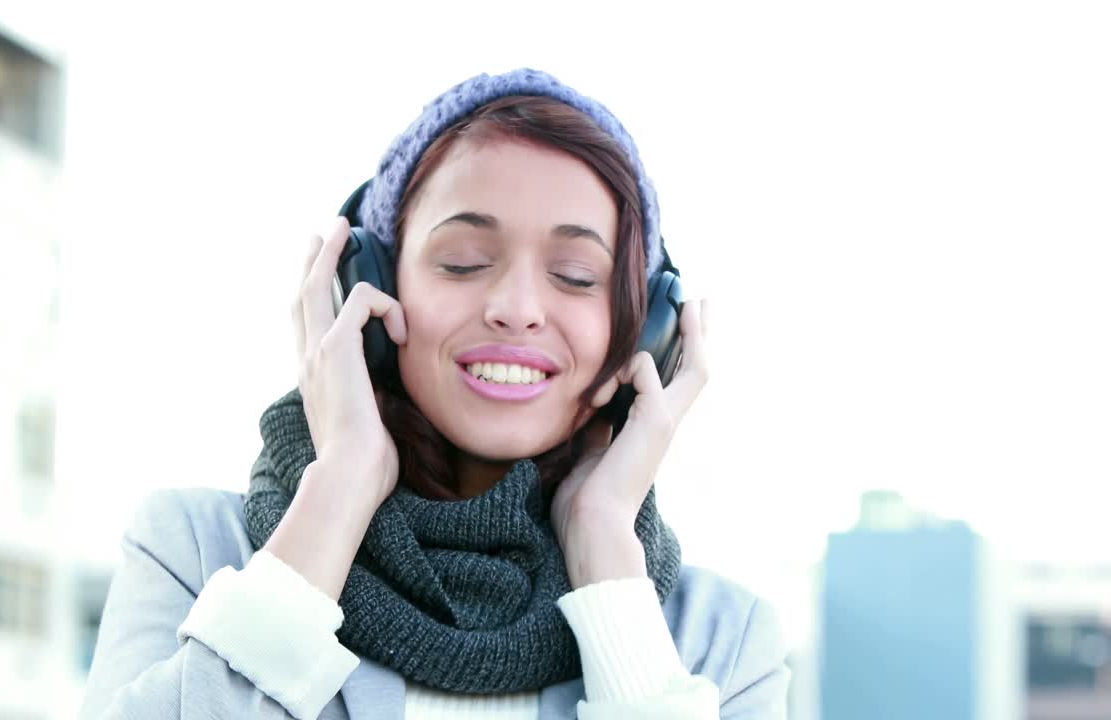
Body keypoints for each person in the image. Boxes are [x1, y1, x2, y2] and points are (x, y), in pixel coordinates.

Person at [79, 68, 790, 720]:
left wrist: (606, 548)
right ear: (370, 287)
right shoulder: (192, 551)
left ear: (645, 336)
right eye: (463, 262)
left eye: (576, 275)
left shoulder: (725, 644)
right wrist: (342, 486)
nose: (517, 308)